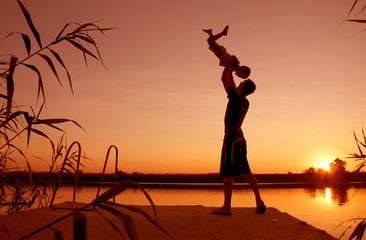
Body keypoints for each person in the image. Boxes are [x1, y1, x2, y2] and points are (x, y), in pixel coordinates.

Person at [211, 66, 266, 215]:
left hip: (231, 139)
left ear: (243, 87)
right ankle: (259, 201)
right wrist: (232, 70)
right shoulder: (245, 101)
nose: (240, 83)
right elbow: (231, 83)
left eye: (243, 82)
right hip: (241, 139)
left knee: (227, 173)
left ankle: (226, 207)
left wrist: (228, 67)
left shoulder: (236, 97)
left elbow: (224, 80)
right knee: (247, 171)